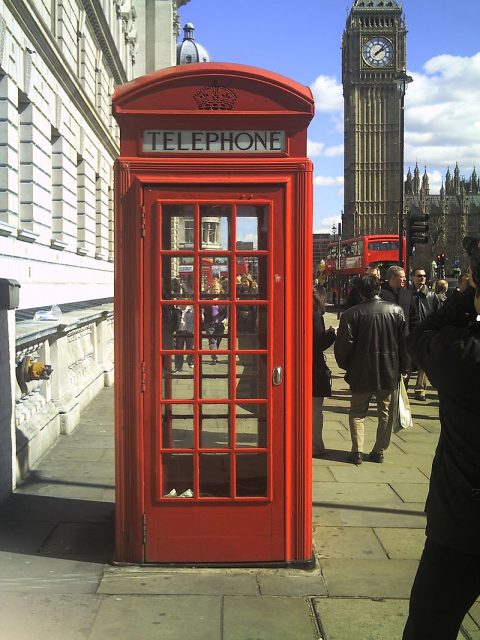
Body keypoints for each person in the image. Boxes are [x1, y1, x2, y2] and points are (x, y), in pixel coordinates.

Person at [402, 244, 480, 640]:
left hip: (463, 525)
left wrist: (468, 293)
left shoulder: (463, 354)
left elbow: (419, 336)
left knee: (428, 627)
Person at [334, 275, 409, 465]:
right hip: (389, 370)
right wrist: (405, 367)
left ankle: (357, 451)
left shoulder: (350, 314)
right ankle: (378, 451)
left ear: (360, 292)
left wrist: (346, 366)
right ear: (379, 289)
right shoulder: (396, 311)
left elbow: (343, 346)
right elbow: (404, 343)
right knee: (385, 413)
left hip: (361, 371)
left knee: (357, 412)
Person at [409, 267, 440, 400]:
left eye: (424, 276)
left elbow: (438, 314)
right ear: (413, 278)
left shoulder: (432, 295)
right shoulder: (407, 294)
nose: (422, 278)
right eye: (419, 276)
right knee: (408, 363)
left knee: (424, 363)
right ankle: (403, 388)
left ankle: (420, 390)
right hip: (411, 333)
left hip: (426, 333)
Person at [312, 287, 336, 456]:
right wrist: (332, 334)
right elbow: (319, 343)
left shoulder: (304, 311)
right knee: (315, 409)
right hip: (314, 367)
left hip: (301, 365)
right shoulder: (315, 314)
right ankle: (315, 446)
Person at [379, 265, 414, 332]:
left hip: (404, 335)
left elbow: (413, 317)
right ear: (393, 278)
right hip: (387, 334)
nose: (405, 279)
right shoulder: (381, 294)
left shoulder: (408, 294)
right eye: (402, 277)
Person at [203, 280, 228, 364]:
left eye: (217, 289)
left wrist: (226, 319)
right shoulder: (207, 299)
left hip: (220, 323)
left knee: (218, 340)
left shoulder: (223, 299)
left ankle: (215, 354)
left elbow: (227, 311)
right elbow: (203, 308)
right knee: (212, 340)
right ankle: (214, 357)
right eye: (214, 289)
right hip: (209, 323)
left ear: (220, 290)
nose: (216, 291)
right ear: (211, 290)